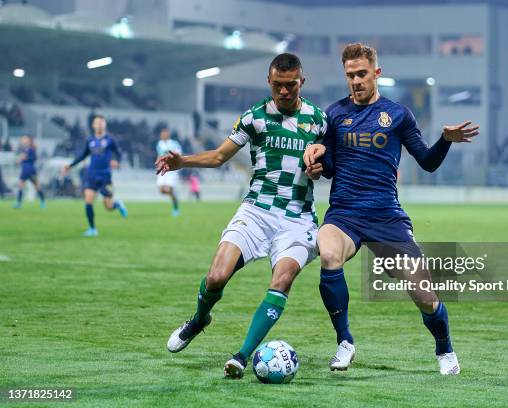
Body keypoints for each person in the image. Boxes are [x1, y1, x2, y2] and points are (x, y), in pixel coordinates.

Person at [304, 43, 479, 375]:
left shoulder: (398, 115)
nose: (355, 81)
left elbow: (427, 163)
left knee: (424, 295)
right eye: (350, 75)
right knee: (327, 253)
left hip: (386, 216)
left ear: (376, 73)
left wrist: (445, 140)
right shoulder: (334, 114)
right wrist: (316, 161)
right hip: (345, 214)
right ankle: (345, 341)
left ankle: (445, 350)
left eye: (361, 74)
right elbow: (327, 167)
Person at [158, 53, 327, 379]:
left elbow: (329, 160)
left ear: (301, 82)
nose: (284, 92)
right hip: (256, 211)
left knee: (283, 279)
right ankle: (198, 320)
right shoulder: (254, 117)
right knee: (216, 278)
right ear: (269, 82)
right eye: (278, 85)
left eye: (291, 85)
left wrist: (321, 166)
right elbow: (221, 155)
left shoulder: (319, 120)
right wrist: (184, 162)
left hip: (298, 218)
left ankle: (242, 355)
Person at [63, 115, 128, 237]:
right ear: (93, 126)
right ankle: (92, 229)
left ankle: (117, 204)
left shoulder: (110, 140)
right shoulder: (90, 140)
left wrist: (117, 161)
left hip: (105, 175)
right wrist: (70, 165)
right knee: (88, 201)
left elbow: (119, 153)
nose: (99, 125)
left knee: (108, 206)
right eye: (96, 123)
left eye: (101, 123)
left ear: (104, 125)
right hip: (92, 174)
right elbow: (82, 155)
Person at [155, 127, 182, 216]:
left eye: (163, 133)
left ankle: (176, 208)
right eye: (161, 134)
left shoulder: (174, 143)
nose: (162, 135)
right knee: (161, 190)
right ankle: (174, 194)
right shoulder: (159, 144)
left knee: (169, 189)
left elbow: (178, 154)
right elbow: (159, 155)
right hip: (163, 168)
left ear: (167, 134)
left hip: (172, 169)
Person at [13, 135, 45, 209]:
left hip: (28, 170)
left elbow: (22, 158)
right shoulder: (27, 149)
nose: (23, 140)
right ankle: (42, 202)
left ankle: (19, 203)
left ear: (29, 141)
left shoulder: (30, 149)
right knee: (24, 186)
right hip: (27, 170)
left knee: (35, 186)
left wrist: (18, 160)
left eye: (24, 139)